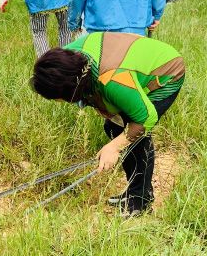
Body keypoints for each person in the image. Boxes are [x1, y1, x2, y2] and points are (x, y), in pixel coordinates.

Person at [31, 32, 185, 216]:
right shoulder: (66, 61)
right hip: (128, 70)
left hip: (165, 72)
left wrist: (114, 147)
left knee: (135, 138)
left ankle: (140, 200)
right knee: (112, 127)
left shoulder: (112, 80)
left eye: (60, 98)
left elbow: (145, 119)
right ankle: (135, 192)